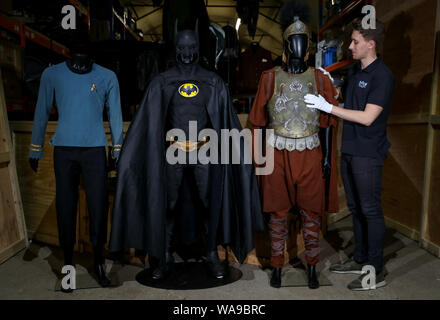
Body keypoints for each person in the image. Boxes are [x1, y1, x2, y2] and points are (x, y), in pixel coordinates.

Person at [109, 21, 264, 281]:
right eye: (182, 47)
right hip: (173, 152)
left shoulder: (212, 82)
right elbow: (146, 124)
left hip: (204, 152)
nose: (187, 52)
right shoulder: (162, 82)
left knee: (208, 203)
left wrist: (242, 157)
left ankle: (212, 255)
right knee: (167, 204)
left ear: (198, 48)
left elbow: (227, 122)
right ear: (176, 49)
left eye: (192, 47)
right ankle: (165, 256)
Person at [249, 0, 339, 289]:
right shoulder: (270, 78)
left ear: (309, 44)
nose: (299, 46)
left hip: (311, 151)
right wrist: (260, 158)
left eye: (303, 41)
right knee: (277, 212)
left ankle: (311, 265)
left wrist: (326, 157)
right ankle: (277, 266)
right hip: (276, 151)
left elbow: (327, 121)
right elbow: (259, 122)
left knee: (311, 212)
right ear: (287, 45)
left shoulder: (320, 79)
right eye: (294, 41)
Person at [29, 31, 123, 292]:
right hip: (64, 151)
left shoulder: (107, 76)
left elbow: (115, 113)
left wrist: (117, 147)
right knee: (66, 209)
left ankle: (99, 264)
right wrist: (35, 147)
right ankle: (68, 265)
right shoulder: (53, 75)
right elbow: (42, 109)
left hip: (94, 151)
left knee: (98, 209)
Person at [305, 18, 395, 290]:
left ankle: (375, 270)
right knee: (355, 209)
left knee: (370, 209)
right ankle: (360, 259)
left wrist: (329, 109)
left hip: (368, 153)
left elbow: (368, 117)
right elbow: (347, 103)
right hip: (351, 150)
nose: (349, 46)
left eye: (355, 41)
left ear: (371, 44)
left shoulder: (383, 76)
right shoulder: (356, 72)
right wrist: (326, 83)